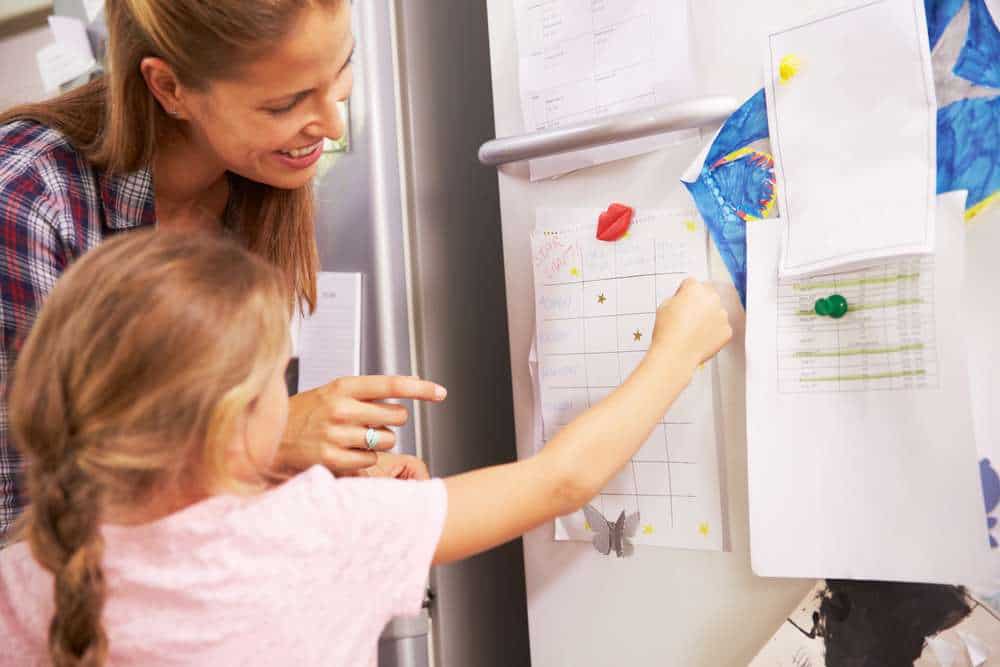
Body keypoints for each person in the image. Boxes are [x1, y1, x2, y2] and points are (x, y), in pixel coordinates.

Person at [0, 230, 731, 666]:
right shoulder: (324, 531)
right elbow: (561, 481)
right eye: (277, 378)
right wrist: (676, 352)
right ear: (233, 422)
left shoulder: (29, 565)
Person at [0, 0, 435, 539]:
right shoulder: (26, 200)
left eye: (341, 69)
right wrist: (263, 440)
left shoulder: (255, 181)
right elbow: (23, 525)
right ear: (169, 89)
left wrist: (319, 478)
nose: (331, 123)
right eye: (286, 102)